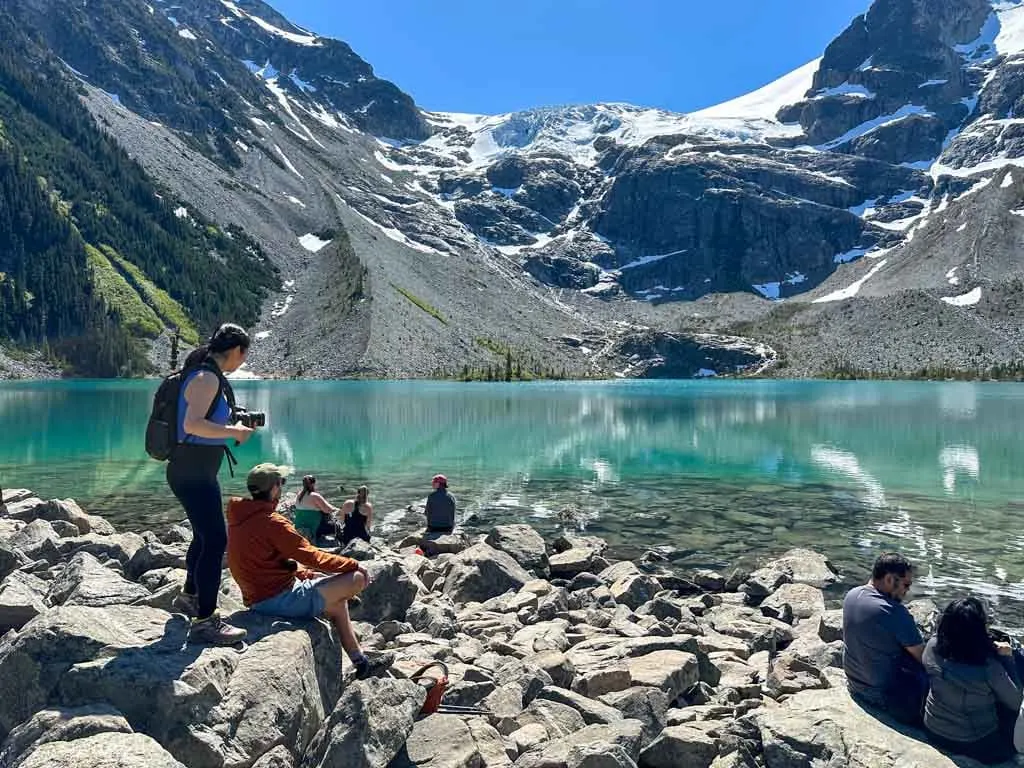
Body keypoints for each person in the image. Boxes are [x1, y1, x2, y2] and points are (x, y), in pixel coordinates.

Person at [226, 463, 393, 679]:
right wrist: (352, 564)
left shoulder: (239, 517)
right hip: (277, 599)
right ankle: (358, 655)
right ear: (274, 489)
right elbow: (310, 555)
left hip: (259, 596)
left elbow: (272, 562)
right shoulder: (272, 522)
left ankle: (360, 662)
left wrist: (305, 574)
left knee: (337, 602)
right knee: (357, 578)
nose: (282, 488)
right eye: (281, 483)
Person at [168, 323, 255, 646]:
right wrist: (234, 433)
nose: (242, 361)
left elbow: (199, 422)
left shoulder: (206, 374)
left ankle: (190, 597)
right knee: (216, 541)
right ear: (236, 351)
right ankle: (206, 621)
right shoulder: (206, 378)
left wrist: (232, 424)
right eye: (243, 355)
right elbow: (192, 425)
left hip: (194, 471)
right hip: (192, 473)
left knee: (204, 537)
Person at [923, 598, 1023, 764]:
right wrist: (1008, 659)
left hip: (932, 729)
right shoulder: (988, 667)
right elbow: (1016, 701)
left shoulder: (932, 646)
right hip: (973, 743)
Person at [843, 552, 927, 724]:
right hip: (880, 695)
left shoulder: (852, 595)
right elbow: (925, 659)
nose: (907, 591)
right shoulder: (893, 611)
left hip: (854, 683)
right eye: (906, 585)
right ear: (889, 579)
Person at [294, 475, 340, 545]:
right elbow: (328, 510)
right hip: (313, 530)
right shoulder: (314, 495)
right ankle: (340, 544)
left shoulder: (299, 495)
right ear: (313, 484)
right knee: (338, 526)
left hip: (299, 528)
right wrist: (340, 510)